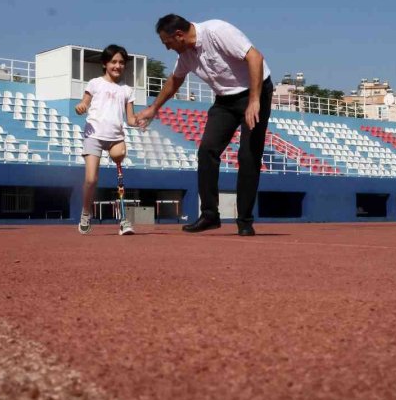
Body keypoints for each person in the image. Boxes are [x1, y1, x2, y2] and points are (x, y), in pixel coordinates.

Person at [136, 14, 273, 236]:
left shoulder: (217, 31)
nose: (168, 49)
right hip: (225, 101)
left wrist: (254, 100)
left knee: (248, 156)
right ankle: (210, 215)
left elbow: (255, 57)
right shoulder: (186, 55)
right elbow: (174, 81)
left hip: (256, 91)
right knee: (207, 150)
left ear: (179, 35)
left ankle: (245, 221)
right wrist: (154, 108)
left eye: (167, 43)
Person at [75, 44, 139, 236]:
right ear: (105, 63)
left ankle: (124, 221)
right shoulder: (95, 83)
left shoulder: (127, 90)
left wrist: (141, 120)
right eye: (113, 62)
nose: (117, 66)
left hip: (115, 138)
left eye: (121, 62)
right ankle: (86, 212)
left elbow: (130, 119)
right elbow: (85, 102)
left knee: (119, 157)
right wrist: (81, 106)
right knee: (91, 179)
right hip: (94, 135)